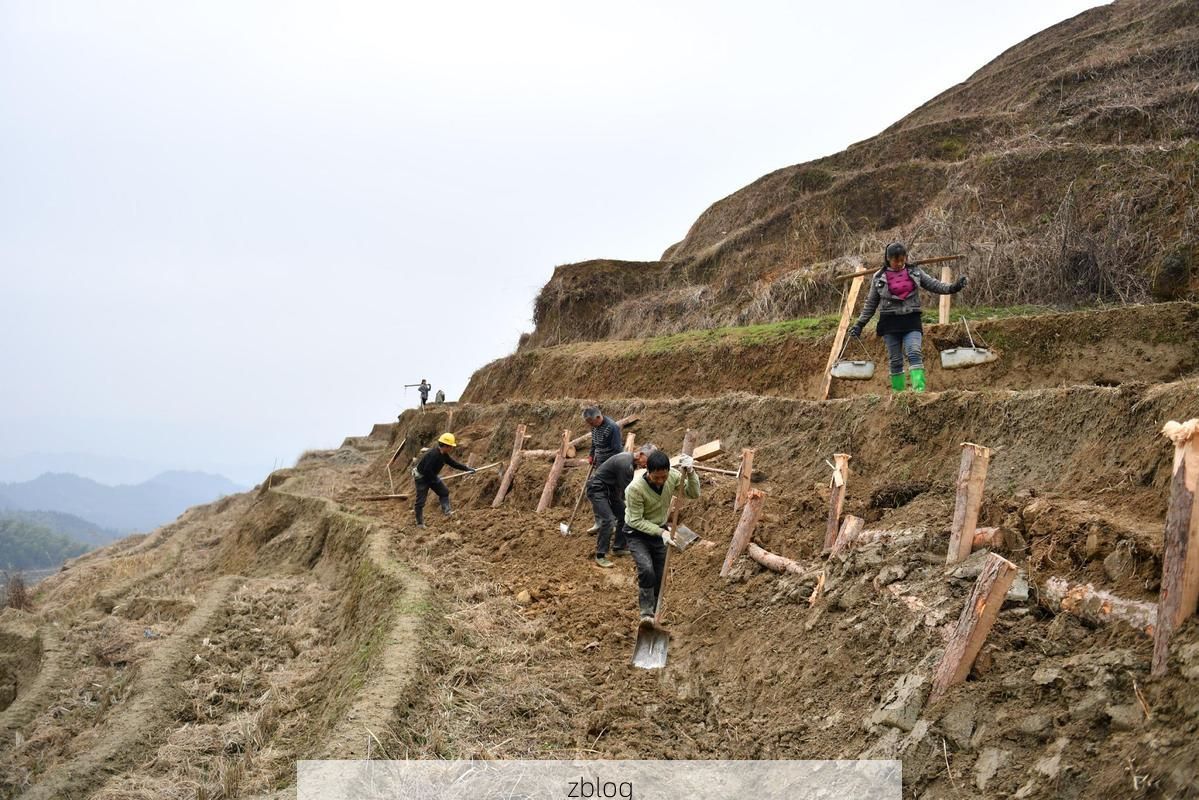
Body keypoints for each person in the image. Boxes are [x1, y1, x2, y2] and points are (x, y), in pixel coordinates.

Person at [848, 242, 968, 392]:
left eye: (902, 260)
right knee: (895, 360)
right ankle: (899, 394)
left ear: (906, 258)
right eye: (895, 260)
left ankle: (919, 391)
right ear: (888, 259)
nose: (899, 264)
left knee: (914, 351)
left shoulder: (914, 272)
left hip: (911, 319)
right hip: (890, 322)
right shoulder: (879, 277)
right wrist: (860, 324)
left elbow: (934, 284)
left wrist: (953, 287)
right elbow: (871, 303)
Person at [624, 450, 700, 621]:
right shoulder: (634, 489)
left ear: (667, 471)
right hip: (636, 533)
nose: (660, 481)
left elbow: (693, 493)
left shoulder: (672, 476)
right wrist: (662, 532)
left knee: (660, 574)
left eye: (663, 477)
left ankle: (655, 612)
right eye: (656, 477)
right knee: (646, 569)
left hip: (659, 531)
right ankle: (645, 613)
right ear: (647, 471)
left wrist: (691, 473)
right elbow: (636, 520)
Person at [588, 443, 657, 568]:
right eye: (648, 461)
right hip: (597, 489)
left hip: (611, 490)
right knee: (608, 520)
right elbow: (628, 492)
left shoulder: (631, 463)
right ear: (641, 455)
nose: (647, 465)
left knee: (624, 514)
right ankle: (600, 555)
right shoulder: (625, 464)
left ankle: (618, 547)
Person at [412, 433, 474, 528]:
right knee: (421, 501)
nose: (451, 449)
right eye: (450, 446)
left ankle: (447, 512)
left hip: (431, 476)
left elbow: (453, 463)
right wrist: (435, 479)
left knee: (444, 492)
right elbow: (426, 470)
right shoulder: (433, 454)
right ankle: (420, 523)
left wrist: (467, 468)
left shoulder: (444, 454)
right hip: (422, 478)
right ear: (445, 446)